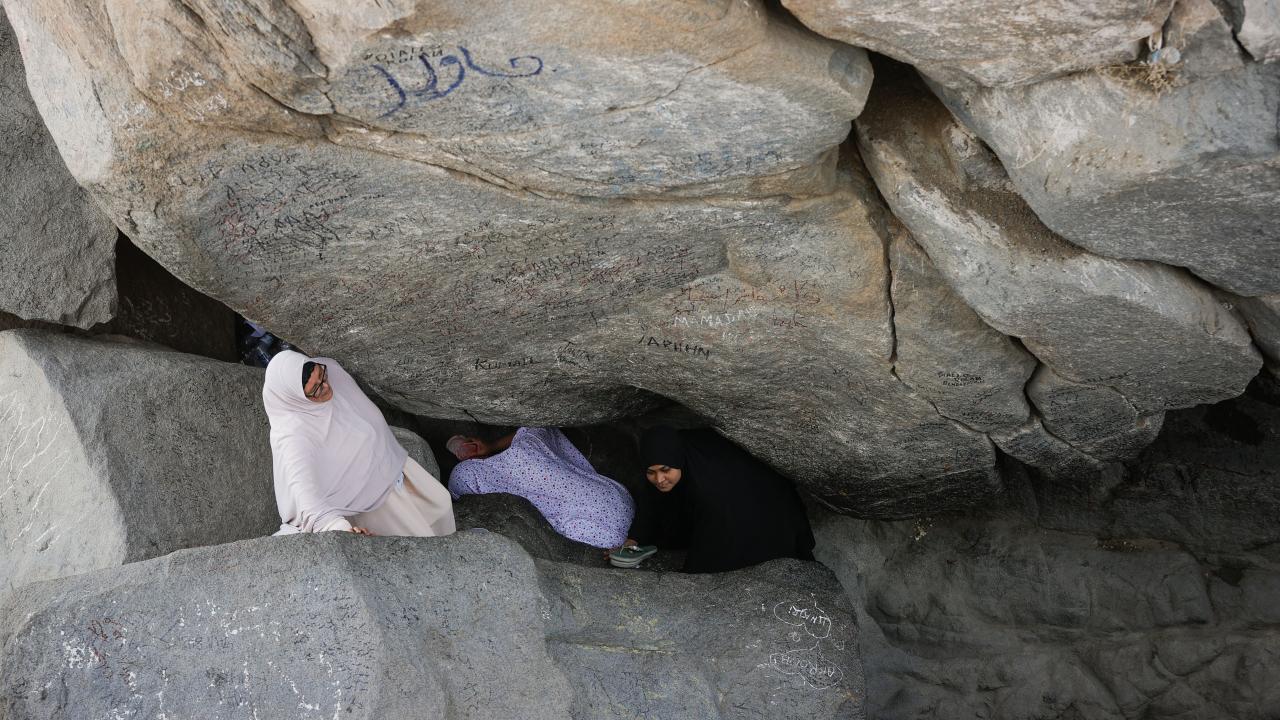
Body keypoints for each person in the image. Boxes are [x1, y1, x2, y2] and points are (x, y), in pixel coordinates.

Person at [264, 349, 455, 537]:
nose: (326, 386)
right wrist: (338, 528)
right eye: (315, 389)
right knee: (420, 537)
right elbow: (306, 497)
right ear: (295, 398)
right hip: (371, 503)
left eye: (322, 375)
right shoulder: (292, 435)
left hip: (394, 468)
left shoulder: (332, 371)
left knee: (441, 505)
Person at [628, 425, 815, 573]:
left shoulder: (706, 485)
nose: (659, 479)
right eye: (651, 472)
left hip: (763, 503)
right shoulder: (671, 451)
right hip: (719, 494)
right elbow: (650, 501)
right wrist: (634, 540)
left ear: (676, 461)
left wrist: (692, 572)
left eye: (665, 470)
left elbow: (714, 538)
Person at [446, 427, 634, 549]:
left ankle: (624, 545)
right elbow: (536, 427)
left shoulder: (471, 477)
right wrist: (492, 445)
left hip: (602, 532)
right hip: (619, 497)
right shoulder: (529, 444)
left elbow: (460, 499)